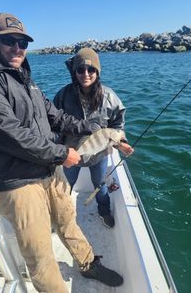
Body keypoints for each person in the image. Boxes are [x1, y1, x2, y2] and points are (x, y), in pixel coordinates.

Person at [0, 13, 124, 293]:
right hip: (18, 182)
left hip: (47, 169)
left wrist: (88, 126)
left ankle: (88, 263)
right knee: (40, 253)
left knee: (69, 220)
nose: (18, 48)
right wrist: (60, 154)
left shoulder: (26, 79)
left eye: (23, 42)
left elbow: (55, 116)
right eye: (10, 41)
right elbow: (10, 134)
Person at [54, 48, 134, 228]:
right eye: (80, 69)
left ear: (97, 72)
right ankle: (61, 216)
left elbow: (117, 125)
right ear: (74, 72)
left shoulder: (109, 96)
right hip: (71, 153)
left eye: (91, 70)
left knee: (99, 183)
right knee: (65, 185)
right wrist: (57, 152)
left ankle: (104, 210)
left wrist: (122, 144)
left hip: (99, 153)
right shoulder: (63, 95)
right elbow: (54, 124)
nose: (86, 74)